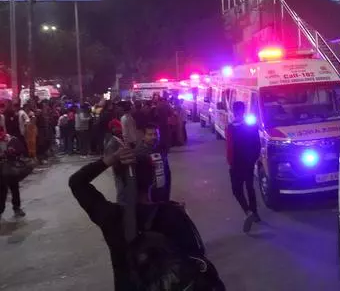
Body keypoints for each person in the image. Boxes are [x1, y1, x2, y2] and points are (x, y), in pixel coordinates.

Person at [69, 142, 223, 290]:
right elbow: (195, 257)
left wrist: (111, 159)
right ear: (153, 180)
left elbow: (76, 182)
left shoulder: (112, 218)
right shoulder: (172, 214)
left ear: (120, 180)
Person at [226, 101, 261, 232]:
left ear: (234, 111)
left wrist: (230, 162)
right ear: (244, 111)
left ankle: (248, 212)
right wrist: (253, 159)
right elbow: (257, 144)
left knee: (237, 190)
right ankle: (255, 213)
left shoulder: (230, 127)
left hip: (236, 164)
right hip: (248, 162)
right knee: (250, 187)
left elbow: (229, 147)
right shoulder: (251, 126)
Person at [0, 126, 26, 220]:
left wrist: (12, 152)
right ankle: (1, 209)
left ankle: (17, 208)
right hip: (1, 171)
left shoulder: (12, 140)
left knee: (14, 189)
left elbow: (22, 150)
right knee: (2, 191)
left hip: (11, 168)